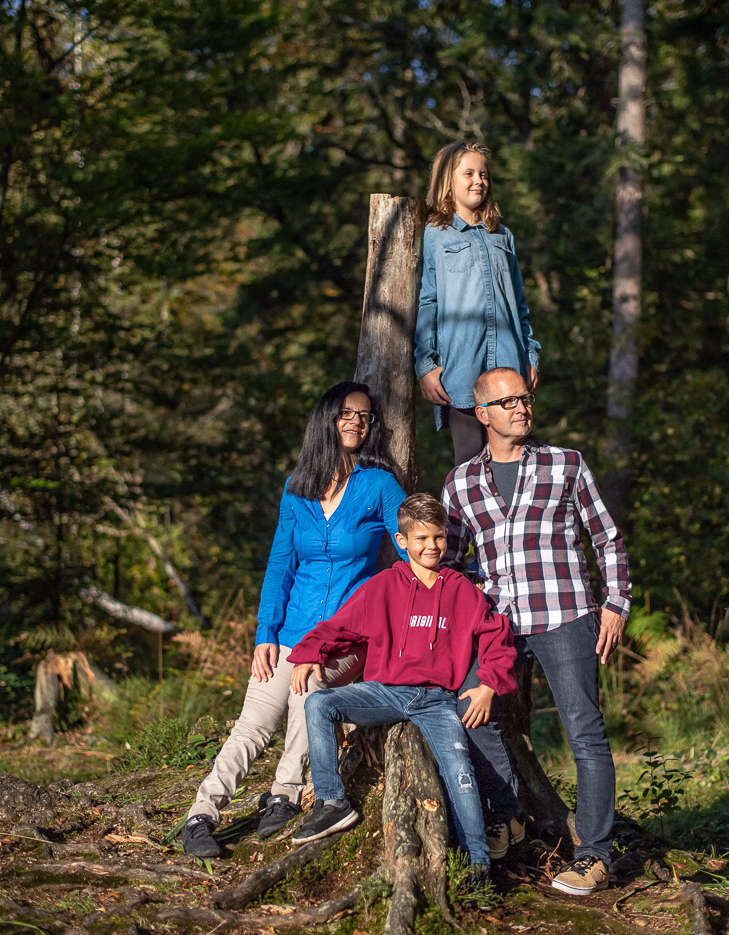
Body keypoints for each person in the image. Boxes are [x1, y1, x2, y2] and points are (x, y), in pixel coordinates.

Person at [181, 381, 407, 858]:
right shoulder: (297, 487)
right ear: (327, 418)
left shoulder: (379, 485)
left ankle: (284, 794)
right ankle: (202, 813)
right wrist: (265, 633)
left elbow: (409, 546)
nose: (356, 421)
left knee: (313, 692)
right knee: (253, 723)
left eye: (365, 416)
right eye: (346, 412)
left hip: (344, 640)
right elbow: (281, 565)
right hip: (289, 630)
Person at [441, 367, 631, 896]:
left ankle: (593, 856)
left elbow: (606, 538)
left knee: (585, 735)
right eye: (507, 403)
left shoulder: (565, 464)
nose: (521, 408)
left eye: (525, 399)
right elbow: (452, 564)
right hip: (497, 622)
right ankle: (508, 814)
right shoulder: (460, 482)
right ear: (482, 414)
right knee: (471, 712)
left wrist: (616, 604)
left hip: (566, 614)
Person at [285, 493, 517, 876]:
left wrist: (489, 684)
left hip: (438, 699)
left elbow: (497, 638)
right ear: (401, 541)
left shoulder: (462, 591)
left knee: (459, 770)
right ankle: (331, 802)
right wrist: (310, 652)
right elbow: (339, 626)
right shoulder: (383, 586)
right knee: (318, 704)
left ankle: (477, 864)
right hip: (384, 691)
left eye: (439, 537)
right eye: (422, 539)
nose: (431, 546)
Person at [414, 140, 541, 465]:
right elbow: (427, 302)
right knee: (470, 464)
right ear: (447, 181)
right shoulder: (433, 235)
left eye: (483, 174)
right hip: (460, 370)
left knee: (521, 458)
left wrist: (531, 356)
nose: (478, 181)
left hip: (511, 366)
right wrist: (426, 365)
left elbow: (521, 306)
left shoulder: (503, 235)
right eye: (468, 173)